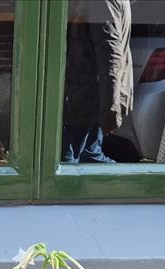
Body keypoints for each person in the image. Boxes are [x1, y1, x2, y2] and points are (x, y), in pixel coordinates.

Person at [61, 0, 133, 164]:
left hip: (86, 98)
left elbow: (110, 57)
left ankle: (124, 185)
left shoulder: (102, 3)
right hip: (87, 96)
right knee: (89, 157)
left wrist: (110, 111)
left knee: (67, 161)